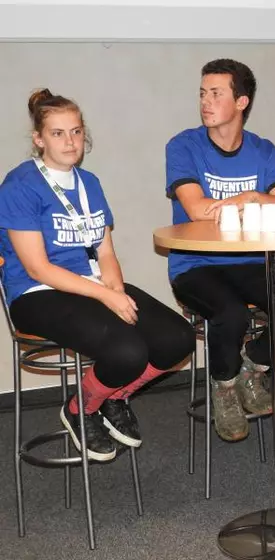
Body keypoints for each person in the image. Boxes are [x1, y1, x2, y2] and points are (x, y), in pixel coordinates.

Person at [0, 89, 195, 461]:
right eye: (58, 133)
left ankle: (112, 396)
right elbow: (38, 268)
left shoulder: (89, 183)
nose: (70, 141)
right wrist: (107, 298)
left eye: (76, 131)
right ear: (39, 139)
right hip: (36, 293)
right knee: (127, 350)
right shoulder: (19, 186)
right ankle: (79, 409)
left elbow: (105, 251)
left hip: (89, 285)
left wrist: (115, 288)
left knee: (177, 338)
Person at [166, 59, 275, 442]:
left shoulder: (265, 150)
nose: (205, 101)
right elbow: (197, 209)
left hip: (251, 261)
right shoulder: (183, 145)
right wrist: (255, 198)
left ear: (241, 102)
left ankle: (251, 369)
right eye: (202, 93)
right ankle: (224, 388)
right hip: (196, 265)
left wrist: (255, 198)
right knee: (231, 314)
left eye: (216, 93)